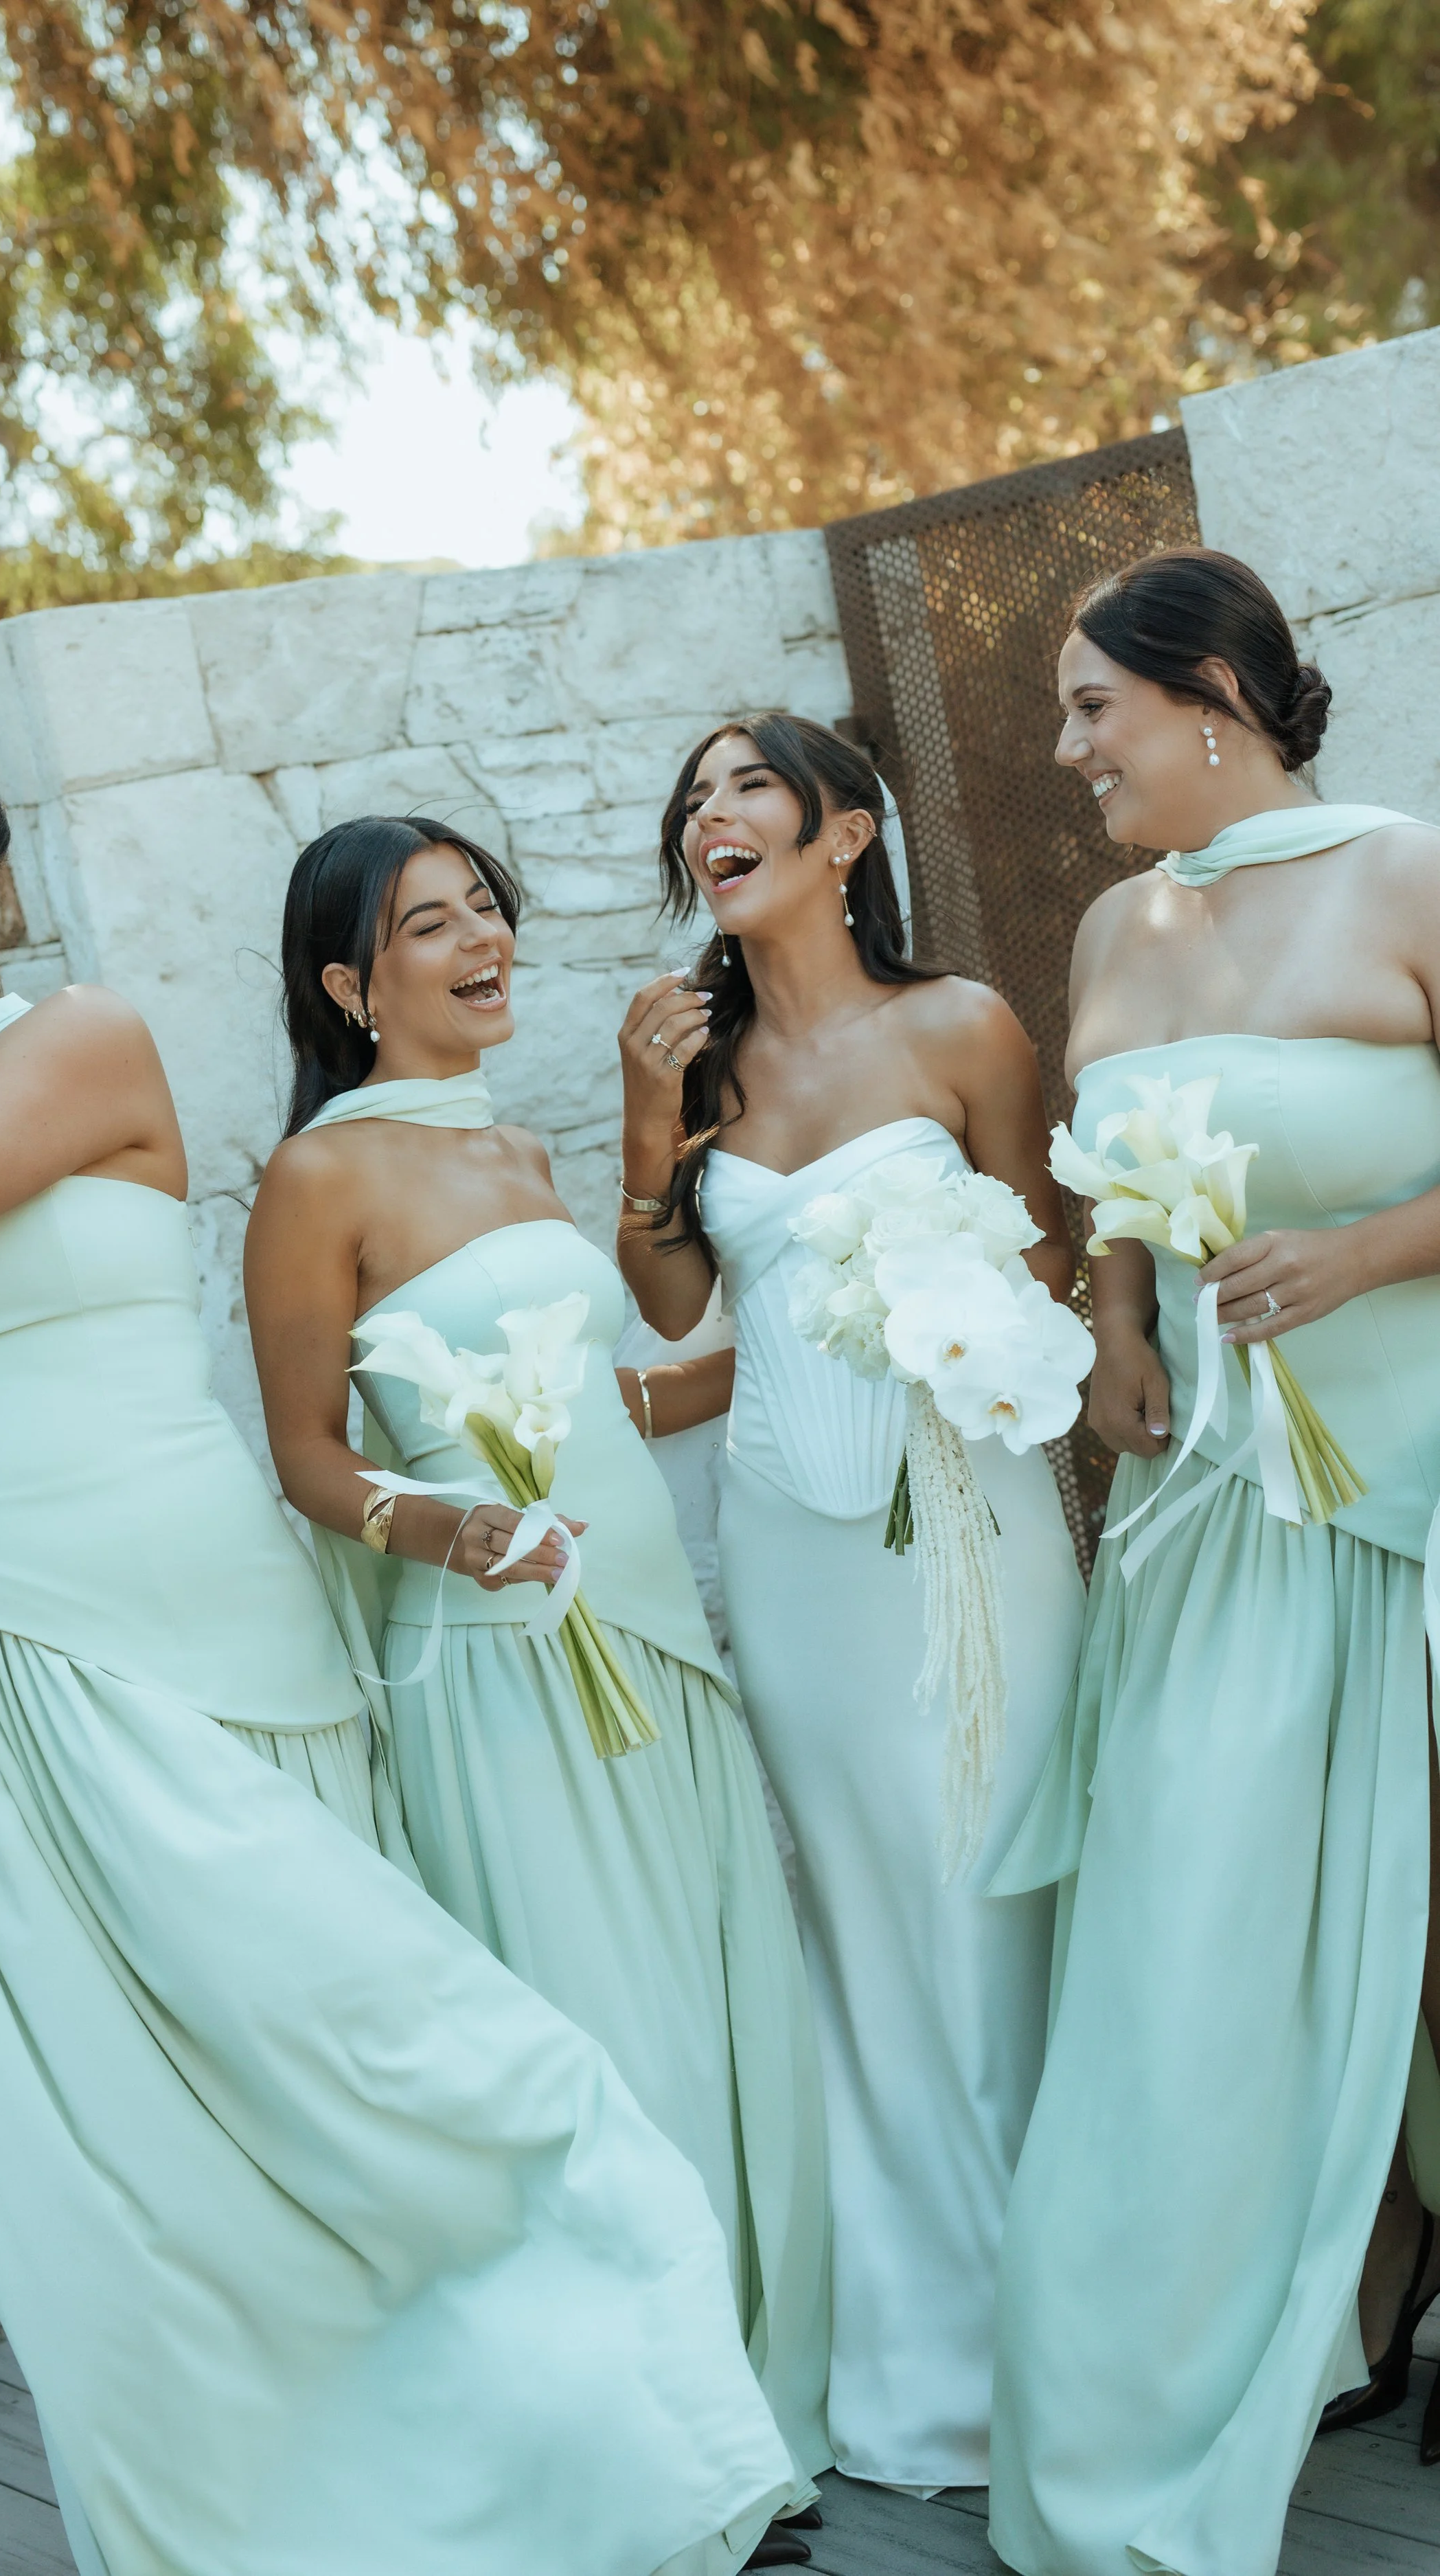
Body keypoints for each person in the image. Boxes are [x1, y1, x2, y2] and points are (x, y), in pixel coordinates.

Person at [0, 747, 801, 2576]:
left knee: (381, 2055)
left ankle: (633, 2423)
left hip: (199, 1638)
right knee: (97, 2150)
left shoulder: (68, 1044)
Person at [243, 813, 833, 2569]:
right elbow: (304, 1458)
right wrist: (453, 1533)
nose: (481, 937)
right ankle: (650, 2462)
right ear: (351, 986)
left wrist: (791, 1337)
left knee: (715, 2022)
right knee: (603, 2045)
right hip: (501, 1679)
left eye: (485, 906)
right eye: (432, 924)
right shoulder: (318, 1181)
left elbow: (596, 1401)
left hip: (651, 1640)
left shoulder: (519, 1147)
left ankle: (748, 2423)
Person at [988, 546, 1440, 2576]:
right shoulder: (1109, 923)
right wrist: (1105, 1322)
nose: (1066, 744)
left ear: (1213, 694)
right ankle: (1235, 2295)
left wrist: (1363, 1247)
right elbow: (1109, 1178)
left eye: (1092, 704)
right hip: (1203, 1500)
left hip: (1409, 1469)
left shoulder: (1403, 871)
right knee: (1192, 1898)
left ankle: (1397, 2242)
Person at [615, 712, 1086, 2496]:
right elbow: (663, 1295)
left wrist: (953, 1307)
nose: (709, 812)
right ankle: (920, 2357)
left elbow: (1052, 1275)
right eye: (696, 794)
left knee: (991, 1884)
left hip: (967, 1527)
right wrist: (650, 1110)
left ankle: (1068, 2327)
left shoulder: (960, 1025)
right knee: (868, 1924)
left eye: (748, 784)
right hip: (793, 1551)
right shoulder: (701, 1065)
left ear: (845, 833)